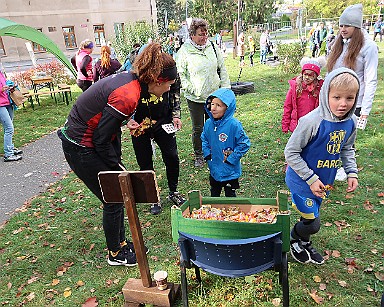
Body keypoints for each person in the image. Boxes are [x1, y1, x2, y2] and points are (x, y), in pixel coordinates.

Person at [58, 43, 177, 266]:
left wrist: (125, 121)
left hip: (92, 141)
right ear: (157, 81)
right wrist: (119, 168)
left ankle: (121, 244)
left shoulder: (132, 80)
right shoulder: (129, 93)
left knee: (119, 192)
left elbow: (105, 116)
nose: (169, 90)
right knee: (114, 196)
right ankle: (116, 253)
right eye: (169, 85)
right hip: (80, 146)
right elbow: (100, 140)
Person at [285, 67, 360, 265]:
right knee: (313, 222)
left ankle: (303, 241)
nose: (343, 104)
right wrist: (310, 178)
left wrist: (352, 171)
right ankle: (293, 239)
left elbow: (347, 148)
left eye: (349, 98)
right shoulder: (311, 121)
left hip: (323, 181)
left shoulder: (351, 122)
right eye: (336, 97)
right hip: (301, 180)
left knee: (311, 216)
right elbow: (290, 152)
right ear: (326, 93)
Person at [327, 3, 378, 180]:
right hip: (334, 97)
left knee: (347, 135)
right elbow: (331, 68)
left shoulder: (368, 47)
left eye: (347, 25)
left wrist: (365, 110)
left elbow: (371, 79)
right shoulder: (339, 43)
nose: (343, 29)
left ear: (356, 26)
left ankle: (347, 167)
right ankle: (331, 162)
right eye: (341, 25)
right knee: (333, 132)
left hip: (354, 99)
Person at [127, 74, 186, 215]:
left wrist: (176, 114)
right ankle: (153, 197)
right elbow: (125, 99)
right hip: (140, 122)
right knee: (144, 161)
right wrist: (128, 119)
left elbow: (175, 91)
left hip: (163, 119)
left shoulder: (169, 71)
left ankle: (174, 191)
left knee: (172, 156)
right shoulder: (136, 77)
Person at [176, 18, 230, 168]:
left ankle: (215, 152)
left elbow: (222, 68)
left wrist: (225, 88)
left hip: (215, 95)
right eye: (201, 34)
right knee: (199, 128)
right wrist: (194, 90)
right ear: (192, 35)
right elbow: (181, 76)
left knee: (216, 125)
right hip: (196, 98)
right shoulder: (184, 52)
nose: (204, 37)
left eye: (206, 33)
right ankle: (199, 155)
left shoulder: (212, 47)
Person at [201, 88, 250, 197]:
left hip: (230, 170)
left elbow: (244, 144)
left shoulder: (234, 125)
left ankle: (233, 213)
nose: (213, 108)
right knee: (214, 194)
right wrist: (207, 154)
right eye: (212, 104)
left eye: (218, 105)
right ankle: (214, 212)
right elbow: (204, 138)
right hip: (214, 167)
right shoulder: (208, 124)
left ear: (227, 108)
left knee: (230, 197)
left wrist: (231, 159)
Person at [282, 57, 325, 133]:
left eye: (311, 75)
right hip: (297, 125)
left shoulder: (320, 88)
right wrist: (285, 124)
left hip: (313, 125)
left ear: (316, 76)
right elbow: (288, 106)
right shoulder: (295, 87)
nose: (307, 77)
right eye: (305, 74)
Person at [0, 70, 23, 162]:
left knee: (8, 128)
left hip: (7, 101)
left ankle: (10, 148)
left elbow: (4, 84)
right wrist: (2, 89)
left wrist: (10, 86)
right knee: (9, 128)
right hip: (0, 104)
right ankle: (8, 154)